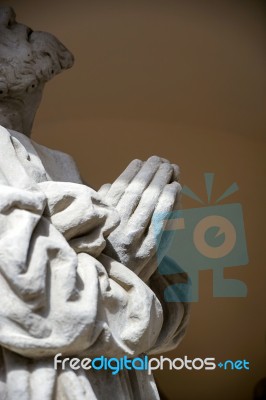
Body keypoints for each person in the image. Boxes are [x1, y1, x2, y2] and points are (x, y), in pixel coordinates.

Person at [0, 7, 189, 399]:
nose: (9, 13)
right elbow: (29, 303)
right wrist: (118, 262)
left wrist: (140, 264)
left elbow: (163, 325)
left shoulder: (60, 163)